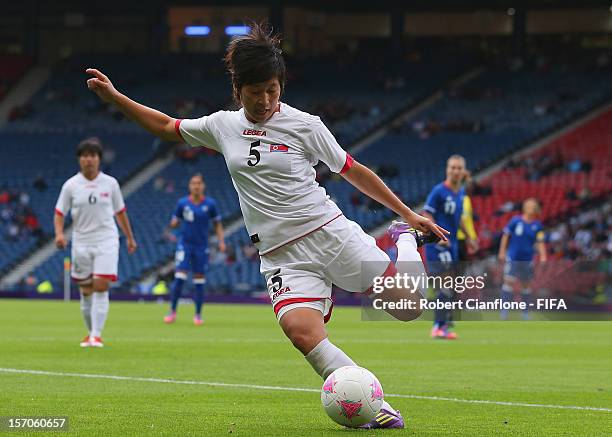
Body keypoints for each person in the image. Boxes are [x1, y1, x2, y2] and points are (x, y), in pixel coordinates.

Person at [85, 23, 447, 429]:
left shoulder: (305, 124)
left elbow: (352, 170)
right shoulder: (223, 126)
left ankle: (405, 244)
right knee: (301, 332)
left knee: (410, 309)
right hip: (281, 255)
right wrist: (116, 98)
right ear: (238, 90)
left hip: (329, 234)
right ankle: (371, 405)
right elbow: (166, 126)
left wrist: (408, 214)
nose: (265, 99)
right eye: (256, 91)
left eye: (273, 89)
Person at [54, 137, 137, 348]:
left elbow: (121, 212)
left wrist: (129, 237)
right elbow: (59, 213)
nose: (89, 160)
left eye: (93, 155)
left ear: (99, 159)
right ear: (79, 159)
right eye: (85, 156)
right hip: (81, 242)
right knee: (85, 290)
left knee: (101, 285)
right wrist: (59, 234)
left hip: (106, 240)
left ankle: (96, 335)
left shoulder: (110, 184)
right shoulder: (71, 186)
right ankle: (90, 332)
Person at [422, 155, 475, 340]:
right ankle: (438, 326)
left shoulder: (460, 192)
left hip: (452, 245)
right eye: (452, 167)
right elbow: (427, 212)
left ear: (463, 170)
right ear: (447, 169)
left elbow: (458, 218)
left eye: (459, 168)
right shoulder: (439, 191)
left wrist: (469, 237)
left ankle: (443, 323)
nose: (455, 170)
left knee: (449, 285)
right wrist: (438, 235)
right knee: (445, 284)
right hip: (439, 245)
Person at [164, 173, 225, 325]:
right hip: (185, 245)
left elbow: (217, 224)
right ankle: (172, 311)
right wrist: (173, 224)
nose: (196, 186)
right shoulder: (182, 203)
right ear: (189, 186)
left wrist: (221, 241)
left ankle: (198, 314)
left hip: (202, 247)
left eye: (198, 183)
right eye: (193, 183)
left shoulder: (210, 204)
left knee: (199, 281)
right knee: (179, 278)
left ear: (203, 186)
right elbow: (175, 222)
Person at [498, 198, 547, 320]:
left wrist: (543, 256)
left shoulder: (537, 225)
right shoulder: (516, 221)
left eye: (533, 206)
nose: (531, 208)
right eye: (529, 206)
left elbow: (540, 242)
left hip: (527, 259)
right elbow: (506, 235)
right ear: (524, 207)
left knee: (526, 285)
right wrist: (502, 251)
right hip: (513, 257)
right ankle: (504, 310)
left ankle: (525, 312)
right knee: (509, 281)